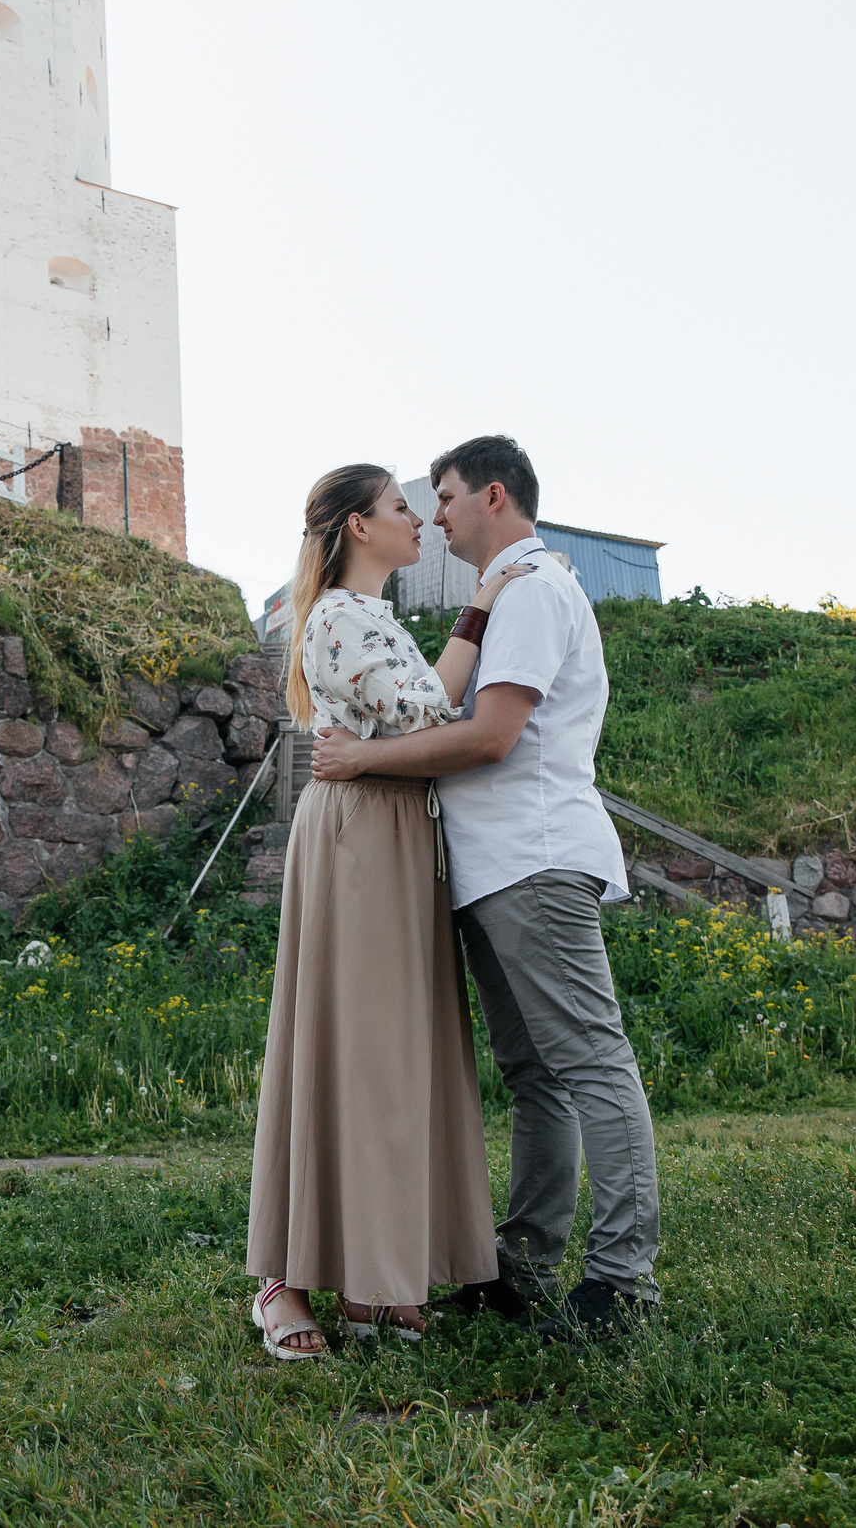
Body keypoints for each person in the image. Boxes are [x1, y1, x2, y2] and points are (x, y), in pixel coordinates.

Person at [309, 435, 660, 1343]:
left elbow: (490, 736)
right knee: (534, 1074)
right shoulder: (507, 599)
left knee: (588, 1060)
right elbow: (445, 702)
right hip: (494, 867)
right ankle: (527, 1262)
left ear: (493, 496)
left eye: (447, 495)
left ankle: (620, 1281)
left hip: (534, 859)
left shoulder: (536, 589)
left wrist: (362, 760)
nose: (434, 515)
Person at [246, 463, 533, 1360]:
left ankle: (376, 1272)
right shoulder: (336, 612)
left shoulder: (374, 618)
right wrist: (481, 604)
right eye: (401, 506)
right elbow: (428, 709)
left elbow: (416, 723)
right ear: (359, 528)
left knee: (394, 1053)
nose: (419, 517)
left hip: (398, 831)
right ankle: (279, 1283)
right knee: (351, 1047)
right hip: (361, 836)